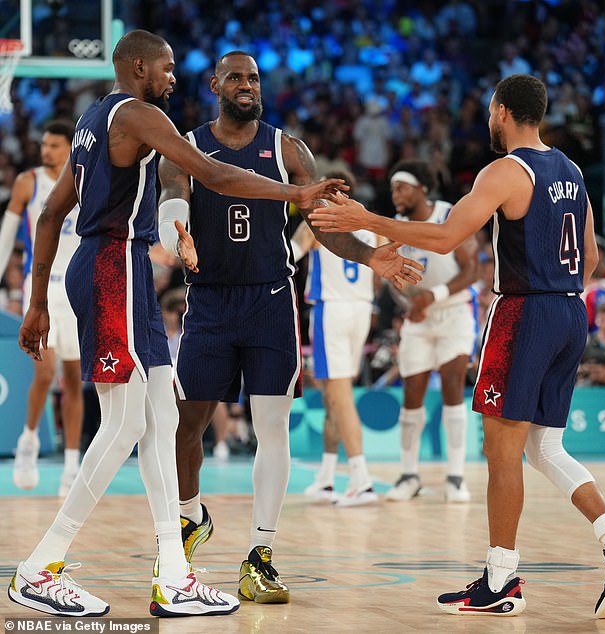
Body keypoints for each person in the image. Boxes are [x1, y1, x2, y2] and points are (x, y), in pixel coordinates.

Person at [11, 29, 361, 618]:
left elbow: (52, 212)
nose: (174, 78)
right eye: (168, 69)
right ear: (140, 67)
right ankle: (40, 566)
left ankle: (173, 572)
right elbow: (213, 174)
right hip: (112, 263)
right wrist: (297, 190)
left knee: (163, 417)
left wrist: (40, 300)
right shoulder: (139, 114)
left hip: (119, 268)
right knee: (123, 424)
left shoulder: (92, 121)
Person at [309, 74, 605, 619]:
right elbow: (593, 256)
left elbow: (444, 237)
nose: (489, 118)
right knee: (543, 447)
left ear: (503, 111)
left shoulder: (506, 170)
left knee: (502, 452)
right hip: (570, 311)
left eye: (490, 110)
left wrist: (366, 220)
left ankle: (502, 580)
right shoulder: (573, 172)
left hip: (524, 312)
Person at [157, 51, 422, 604]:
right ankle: (189, 515)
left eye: (253, 78)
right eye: (236, 77)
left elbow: (321, 223)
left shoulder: (288, 149)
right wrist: (175, 228)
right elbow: (171, 194)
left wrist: (370, 256)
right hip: (207, 302)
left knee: (272, 427)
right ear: (215, 86)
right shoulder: (185, 145)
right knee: (186, 427)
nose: (247, 85)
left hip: (271, 302)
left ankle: (260, 554)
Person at [378, 159, 478, 504]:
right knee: (412, 396)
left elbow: (472, 270)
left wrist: (431, 297)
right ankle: (409, 476)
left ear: (422, 188)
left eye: (401, 187)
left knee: (452, 387)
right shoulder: (398, 227)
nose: (396, 194)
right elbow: (391, 277)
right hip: (418, 319)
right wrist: (410, 306)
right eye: (392, 189)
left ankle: (455, 477)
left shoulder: (449, 215)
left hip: (453, 312)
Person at [0, 119, 83, 497]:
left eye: (53, 145)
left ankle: (71, 464)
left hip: (78, 290)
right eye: (44, 144)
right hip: (42, 288)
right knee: (44, 373)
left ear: (69, 147)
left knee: (74, 380)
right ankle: (29, 440)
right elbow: (7, 235)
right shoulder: (27, 182)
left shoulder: (87, 178)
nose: (45, 150)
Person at [292, 169, 379, 507]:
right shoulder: (368, 220)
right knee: (333, 397)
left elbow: (289, 255)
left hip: (332, 310)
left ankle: (361, 480)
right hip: (361, 311)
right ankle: (327, 477)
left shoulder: (318, 218)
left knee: (340, 398)